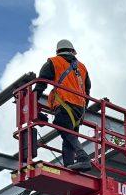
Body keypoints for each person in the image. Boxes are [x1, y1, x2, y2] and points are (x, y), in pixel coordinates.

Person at [34, 40, 91, 169]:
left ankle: (83, 157)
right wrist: (83, 110)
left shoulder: (53, 62)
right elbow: (87, 90)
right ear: (72, 51)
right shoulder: (82, 67)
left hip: (65, 103)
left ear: (58, 51)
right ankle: (69, 165)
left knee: (62, 126)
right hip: (79, 108)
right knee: (68, 136)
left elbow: (40, 84)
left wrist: (33, 103)